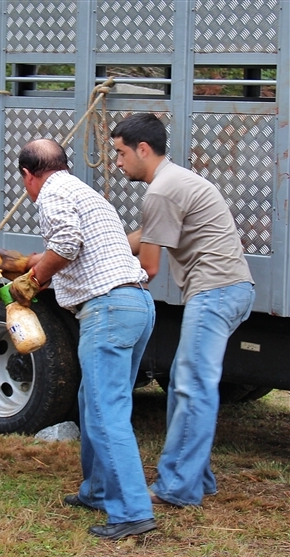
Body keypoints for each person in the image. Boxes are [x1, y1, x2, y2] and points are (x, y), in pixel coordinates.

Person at [7, 138, 157, 540]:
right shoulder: (81, 191)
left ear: (28, 175)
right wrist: (34, 264)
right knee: (93, 402)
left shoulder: (50, 194)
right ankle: (98, 490)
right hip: (136, 304)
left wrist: (33, 281)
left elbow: (67, 245)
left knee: (106, 410)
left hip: (107, 309)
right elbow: (72, 245)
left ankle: (130, 512)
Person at [112, 113, 255, 507]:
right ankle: (197, 478)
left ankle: (177, 487)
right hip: (227, 289)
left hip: (216, 291)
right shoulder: (175, 181)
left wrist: (103, 283)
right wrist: (98, 251)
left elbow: (150, 266)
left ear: (143, 149)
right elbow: (144, 236)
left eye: (121, 153)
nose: (118, 163)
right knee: (184, 382)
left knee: (192, 387)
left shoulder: (161, 191)